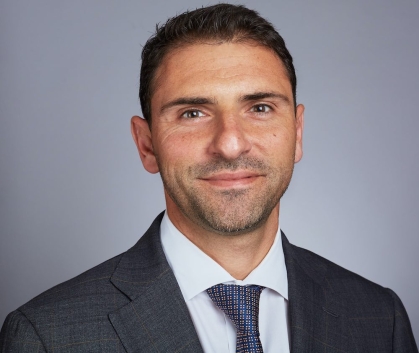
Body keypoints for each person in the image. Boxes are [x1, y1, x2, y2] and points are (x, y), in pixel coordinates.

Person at [0, 3, 417, 352]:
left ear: (298, 132)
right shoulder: (47, 337)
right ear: (147, 145)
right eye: (192, 113)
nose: (231, 144)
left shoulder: (380, 319)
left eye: (259, 108)